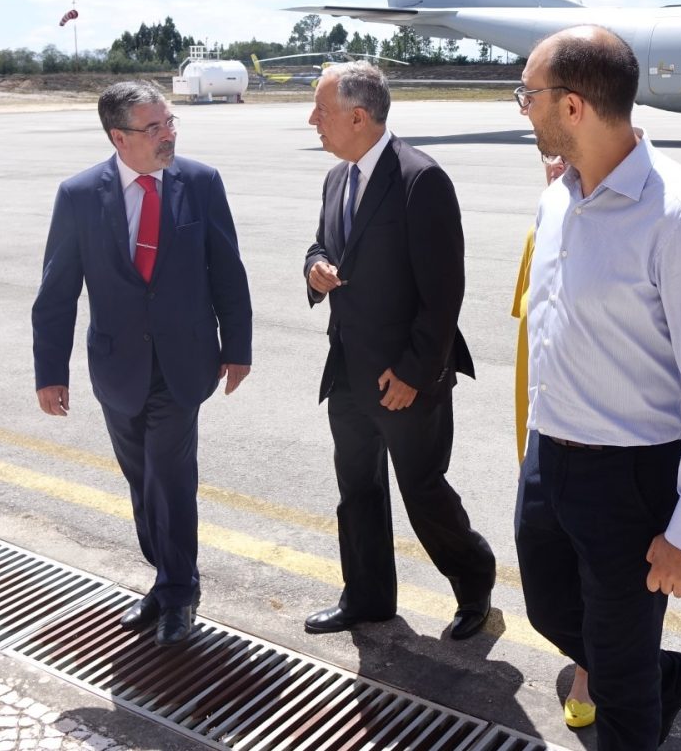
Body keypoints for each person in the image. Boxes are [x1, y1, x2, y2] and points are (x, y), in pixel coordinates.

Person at [515, 26, 681, 749]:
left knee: (618, 691)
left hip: (630, 477)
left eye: (529, 95)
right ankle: (660, 675)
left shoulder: (679, 215)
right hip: (550, 460)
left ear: (574, 106)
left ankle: (641, 691)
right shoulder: (562, 197)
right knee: (552, 614)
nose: (523, 109)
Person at [32, 81, 252, 646]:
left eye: (170, 123)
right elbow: (57, 290)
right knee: (142, 483)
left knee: (172, 480)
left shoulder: (200, 183)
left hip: (183, 364)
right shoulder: (80, 195)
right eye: (153, 128)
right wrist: (49, 371)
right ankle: (165, 576)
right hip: (118, 367)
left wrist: (238, 348)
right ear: (118, 137)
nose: (168, 135)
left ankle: (180, 592)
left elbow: (227, 269)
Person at [302, 61, 496, 641]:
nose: (313, 121)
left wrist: (414, 371)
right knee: (356, 490)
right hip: (348, 372)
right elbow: (322, 241)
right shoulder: (338, 177)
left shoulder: (420, 179)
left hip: (405, 377)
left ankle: (474, 579)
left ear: (358, 117)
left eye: (321, 111)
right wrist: (313, 267)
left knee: (424, 493)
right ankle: (367, 596)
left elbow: (443, 294)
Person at [510, 150, 598, 729]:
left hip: (601, 438)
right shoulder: (548, 212)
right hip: (542, 418)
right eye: (549, 155)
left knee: (597, 563)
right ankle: (615, 658)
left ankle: (599, 671)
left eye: (565, 154)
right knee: (547, 570)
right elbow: (529, 318)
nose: (555, 164)